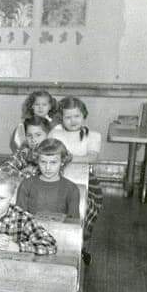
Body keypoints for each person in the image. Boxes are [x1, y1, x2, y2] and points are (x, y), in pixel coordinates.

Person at [50, 96, 103, 265]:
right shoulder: (56, 133)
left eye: (77, 116)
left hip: (84, 178)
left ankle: (81, 247)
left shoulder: (92, 135)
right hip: (58, 178)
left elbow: (92, 157)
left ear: (84, 115)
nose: (73, 121)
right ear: (61, 117)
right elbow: (49, 153)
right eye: (68, 117)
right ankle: (55, 244)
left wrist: (65, 157)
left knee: (84, 208)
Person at [15, 138, 80, 219]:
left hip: (60, 230)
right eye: (43, 162)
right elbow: (18, 218)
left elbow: (73, 223)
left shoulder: (71, 189)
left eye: (53, 162)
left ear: (62, 162)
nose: (48, 168)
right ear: (37, 161)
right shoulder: (27, 184)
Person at [0, 115, 52, 180]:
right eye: (29, 135)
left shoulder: (53, 153)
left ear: (48, 135)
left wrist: (33, 171)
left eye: (38, 135)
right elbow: (4, 169)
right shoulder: (25, 152)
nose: (33, 139)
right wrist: (22, 173)